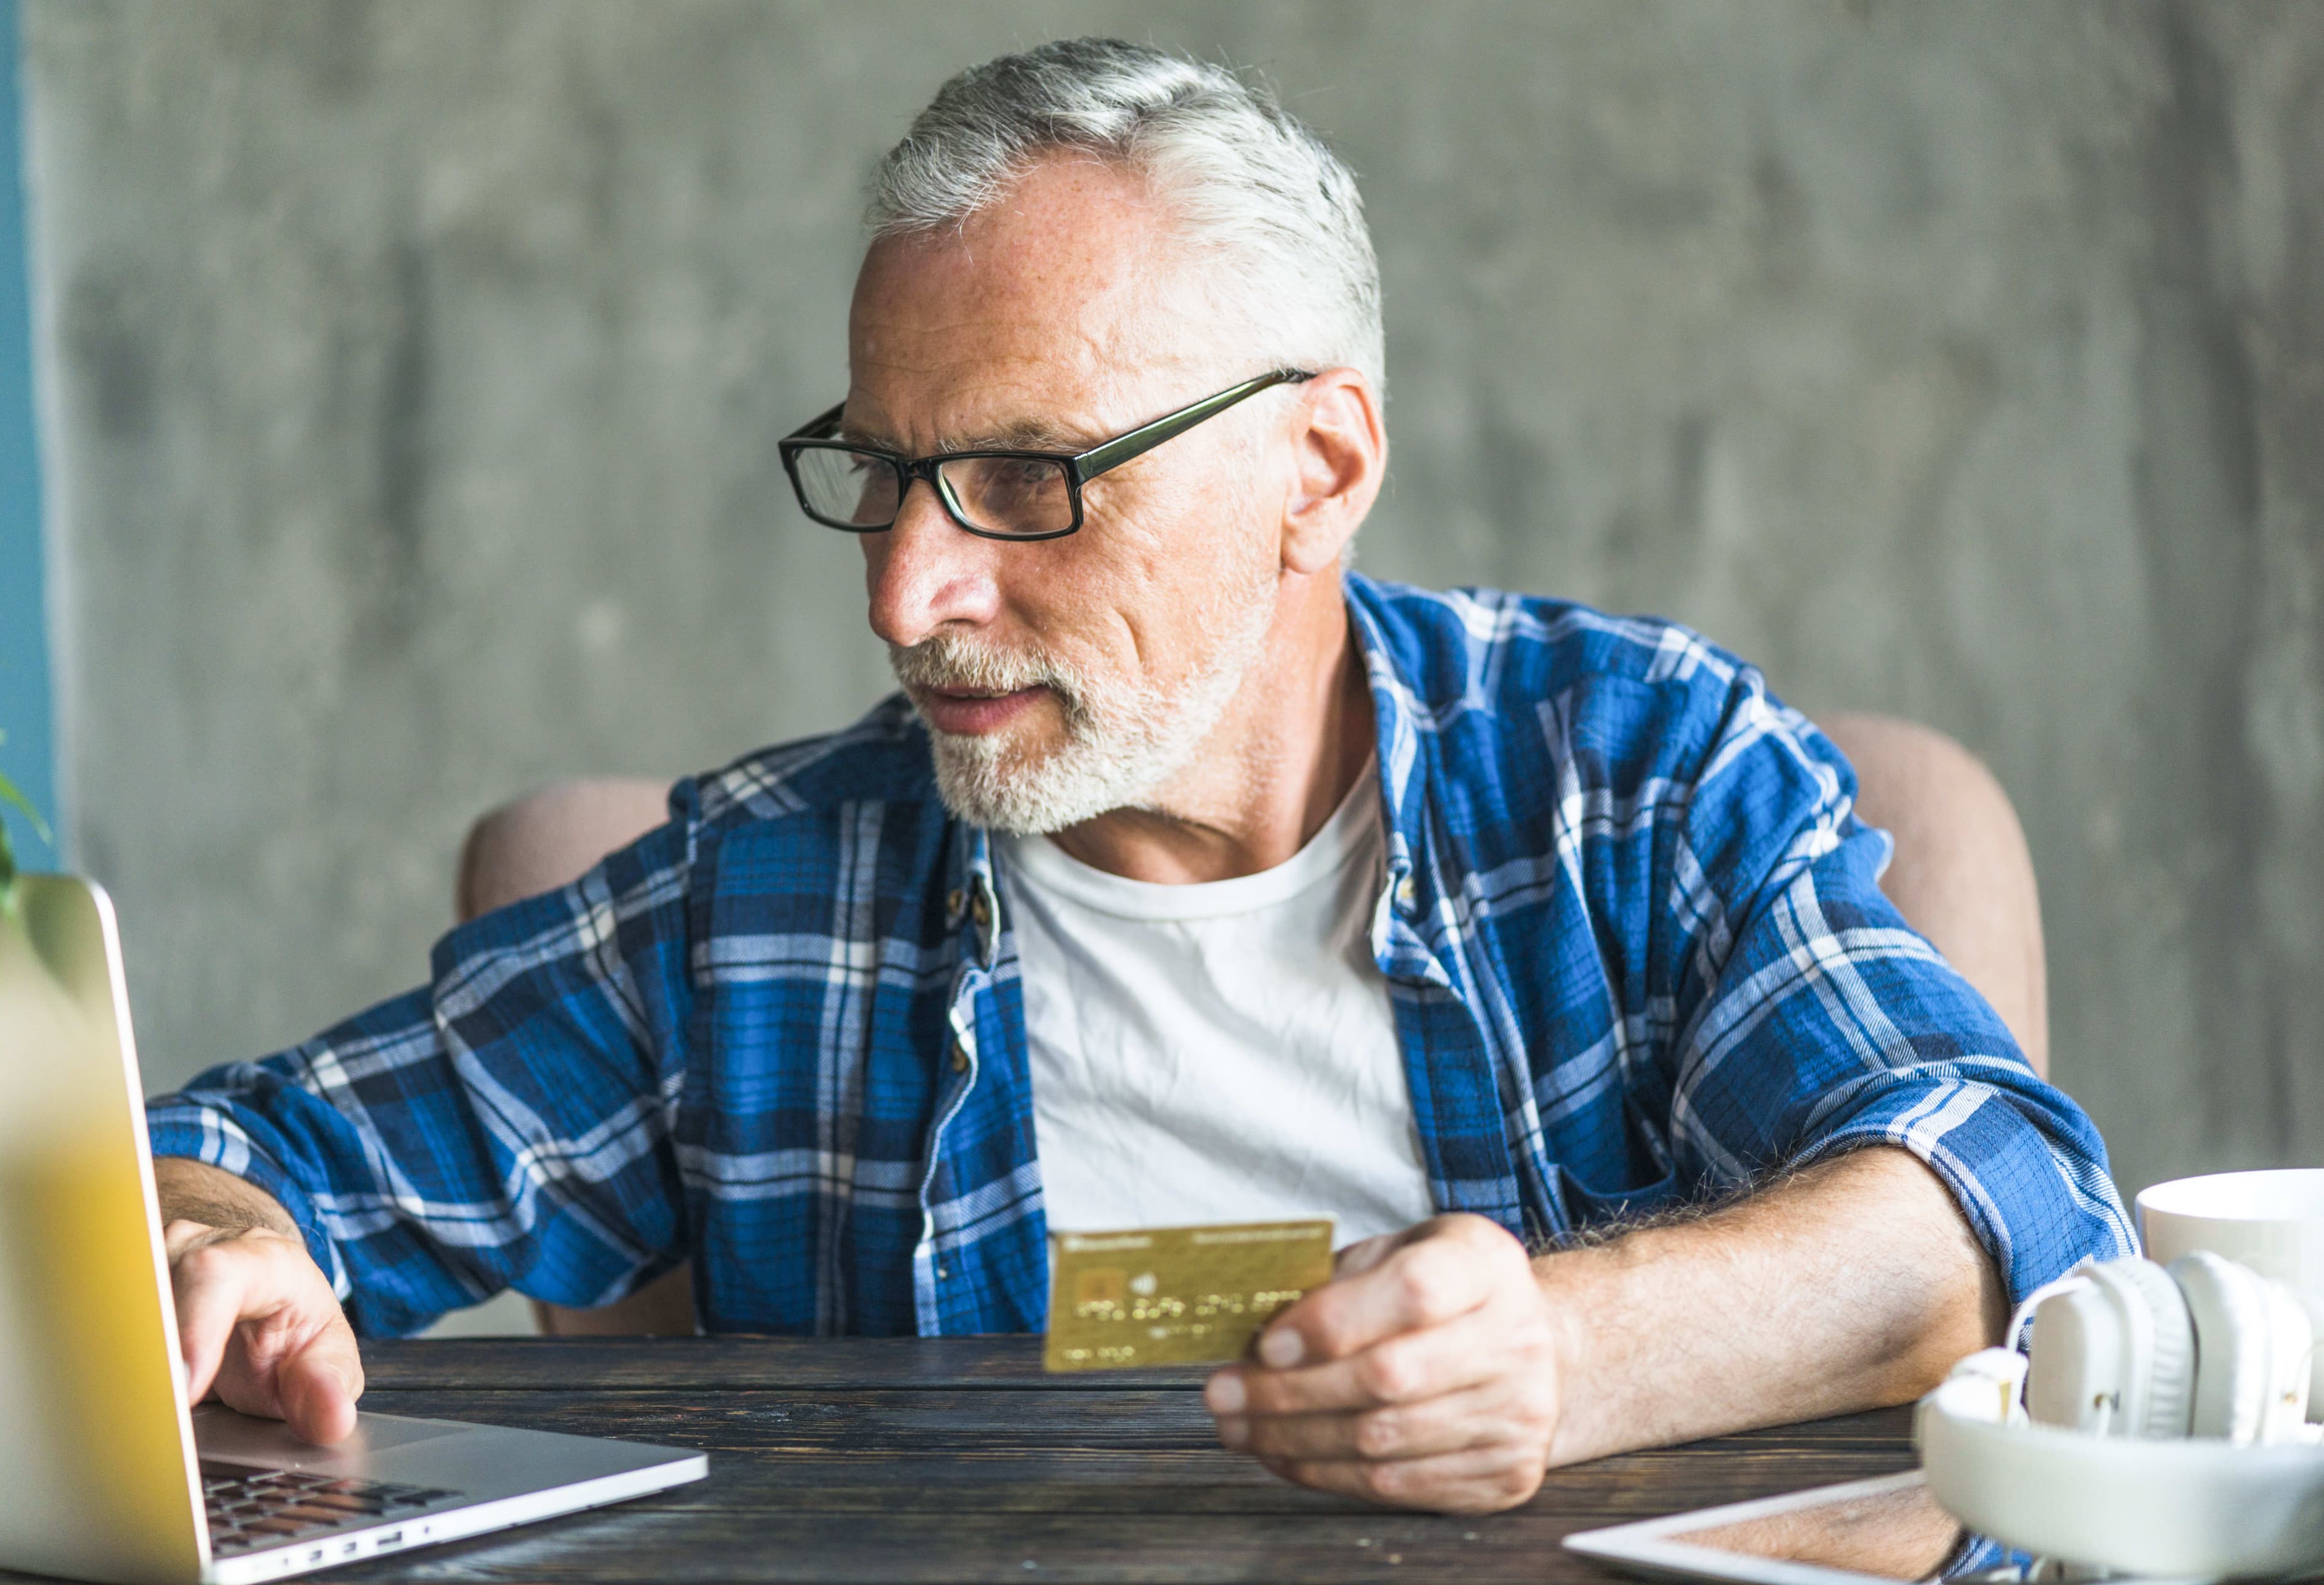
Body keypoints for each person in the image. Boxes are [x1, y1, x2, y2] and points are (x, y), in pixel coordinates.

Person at [147, 38, 2130, 1515]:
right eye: (883, 475)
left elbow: (2019, 1201)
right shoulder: (764, 899)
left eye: (1029, 477)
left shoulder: (1624, 774)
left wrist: (1574, 1349)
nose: (909, 590)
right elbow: (245, 1153)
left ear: (1320, 469)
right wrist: (207, 1238)